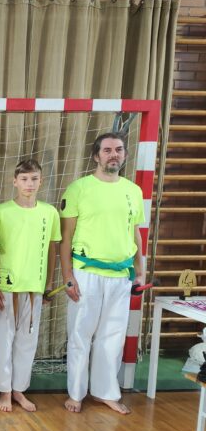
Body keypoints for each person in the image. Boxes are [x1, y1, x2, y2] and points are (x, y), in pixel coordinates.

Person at [60, 132, 145, 414]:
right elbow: (66, 237)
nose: (113, 154)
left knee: (113, 336)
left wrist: (140, 271)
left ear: (125, 155)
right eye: (107, 150)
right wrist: (67, 276)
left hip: (121, 274)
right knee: (80, 334)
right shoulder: (78, 189)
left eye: (118, 149)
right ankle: (76, 393)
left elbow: (135, 233)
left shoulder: (133, 191)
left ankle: (106, 392)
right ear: (96, 156)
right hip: (86, 273)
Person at [0, 159, 61, 413]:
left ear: (41, 181)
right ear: (14, 181)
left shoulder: (50, 213)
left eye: (34, 179)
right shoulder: (0, 212)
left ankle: (19, 389)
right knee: (2, 341)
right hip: (6, 287)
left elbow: (52, 249)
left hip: (34, 287)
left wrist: (49, 283)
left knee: (27, 341)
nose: (29, 184)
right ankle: (4, 391)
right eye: (24, 179)